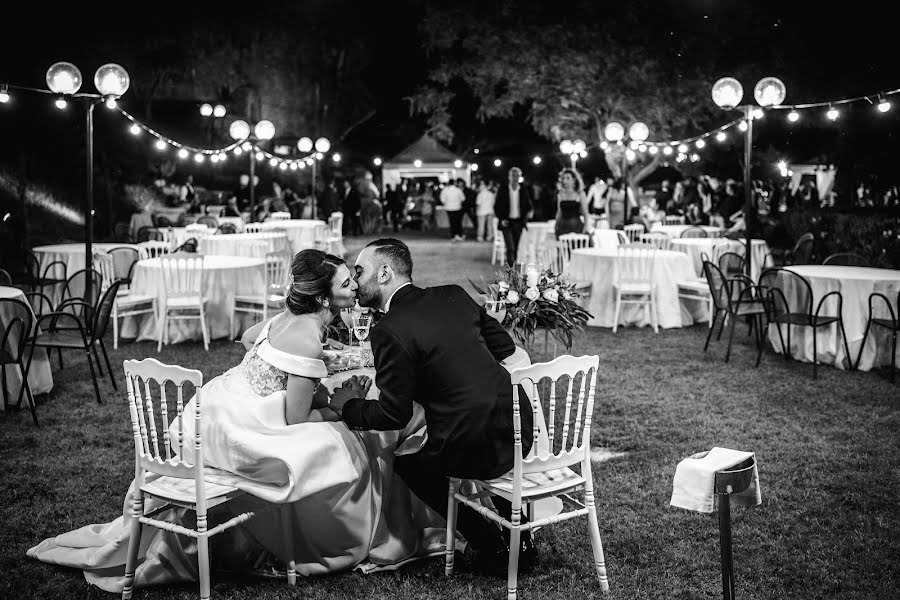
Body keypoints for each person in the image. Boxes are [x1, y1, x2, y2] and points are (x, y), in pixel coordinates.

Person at [27, 249, 450, 591]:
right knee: (349, 445)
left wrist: (285, 365)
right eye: (345, 282)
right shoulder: (305, 337)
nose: (354, 285)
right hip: (251, 427)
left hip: (217, 407)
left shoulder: (288, 319)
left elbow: (250, 338)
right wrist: (343, 406)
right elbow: (295, 416)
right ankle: (336, 537)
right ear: (324, 298)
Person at [329, 238, 537, 575]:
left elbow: (395, 414)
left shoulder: (389, 330)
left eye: (360, 270)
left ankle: (490, 543)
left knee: (409, 464)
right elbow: (506, 350)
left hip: (473, 442)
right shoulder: (453, 295)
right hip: (518, 425)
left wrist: (349, 406)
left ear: (384, 273)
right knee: (465, 434)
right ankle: (519, 535)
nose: (356, 280)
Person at [493, 167, 533, 266]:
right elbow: (496, 206)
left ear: (520, 177)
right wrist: (501, 219)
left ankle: (513, 271)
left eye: (517, 176)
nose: (515, 178)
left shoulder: (523, 189)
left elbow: (528, 205)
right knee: (510, 248)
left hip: (518, 223)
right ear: (509, 177)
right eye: (513, 175)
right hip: (507, 222)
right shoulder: (503, 189)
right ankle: (510, 270)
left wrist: (529, 213)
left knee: (515, 247)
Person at [554, 168, 592, 238]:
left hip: (576, 226)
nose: (565, 181)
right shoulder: (560, 194)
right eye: (563, 178)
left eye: (568, 178)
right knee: (562, 247)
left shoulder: (580, 194)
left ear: (574, 180)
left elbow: (585, 213)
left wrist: (585, 227)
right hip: (562, 226)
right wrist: (556, 225)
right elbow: (559, 212)